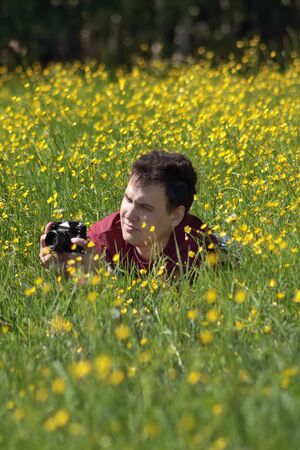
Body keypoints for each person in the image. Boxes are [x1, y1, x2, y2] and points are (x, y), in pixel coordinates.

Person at [39, 150, 219, 277]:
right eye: (128, 199)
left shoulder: (196, 244)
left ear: (176, 216)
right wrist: (67, 272)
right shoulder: (102, 240)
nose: (129, 215)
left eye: (145, 207)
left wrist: (103, 278)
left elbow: (165, 310)